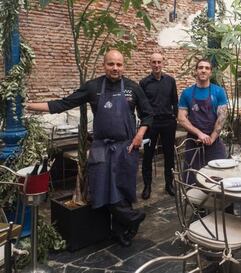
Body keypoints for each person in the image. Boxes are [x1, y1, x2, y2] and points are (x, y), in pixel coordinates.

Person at [26, 49, 153, 247]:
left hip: (125, 147)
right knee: (100, 187)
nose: (115, 68)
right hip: (101, 146)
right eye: (111, 64)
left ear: (123, 66)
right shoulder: (93, 87)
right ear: (104, 65)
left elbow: (148, 114)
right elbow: (63, 104)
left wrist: (139, 135)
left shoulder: (132, 88)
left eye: (119, 64)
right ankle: (132, 218)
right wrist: (30, 106)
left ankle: (122, 231)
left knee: (122, 188)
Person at [177, 59, 228, 181]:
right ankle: (193, 199)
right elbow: (181, 118)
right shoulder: (187, 93)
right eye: (200, 67)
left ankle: (217, 198)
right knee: (191, 177)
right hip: (193, 141)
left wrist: (212, 138)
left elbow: (222, 117)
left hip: (213, 141)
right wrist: (199, 134)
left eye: (207, 68)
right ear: (196, 71)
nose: (203, 70)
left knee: (221, 175)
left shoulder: (218, 91)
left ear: (210, 72)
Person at [140, 53, 178, 199]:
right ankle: (147, 186)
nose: (156, 65)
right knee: (148, 155)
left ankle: (169, 184)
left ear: (163, 63)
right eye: (154, 62)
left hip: (168, 122)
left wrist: (175, 117)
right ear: (150, 63)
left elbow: (175, 101)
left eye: (159, 62)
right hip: (151, 124)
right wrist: (144, 120)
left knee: (169, 154)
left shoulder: (170, 81)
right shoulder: (144, 83)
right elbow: (141, 104)